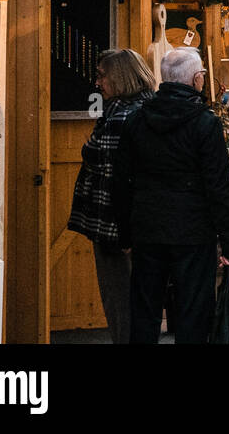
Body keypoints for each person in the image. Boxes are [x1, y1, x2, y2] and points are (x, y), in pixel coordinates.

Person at [116, 47, 229, 344]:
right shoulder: (205, 123)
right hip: (193, 234)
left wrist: (125, 236)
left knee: (144, 312)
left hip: (147, 230)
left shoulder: (136, 121)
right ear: (197, 79)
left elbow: (121, 181)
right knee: (193, 313)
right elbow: (219, 186)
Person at [67, 49, 156, 344]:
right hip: (133, 227)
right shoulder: (143, 109)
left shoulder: (121, 117)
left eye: (102, 76)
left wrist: (125, 234)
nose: (97, 83)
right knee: (135, 302)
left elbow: (116, 176)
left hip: (115, 228)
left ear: (119, 77)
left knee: (120, 304)